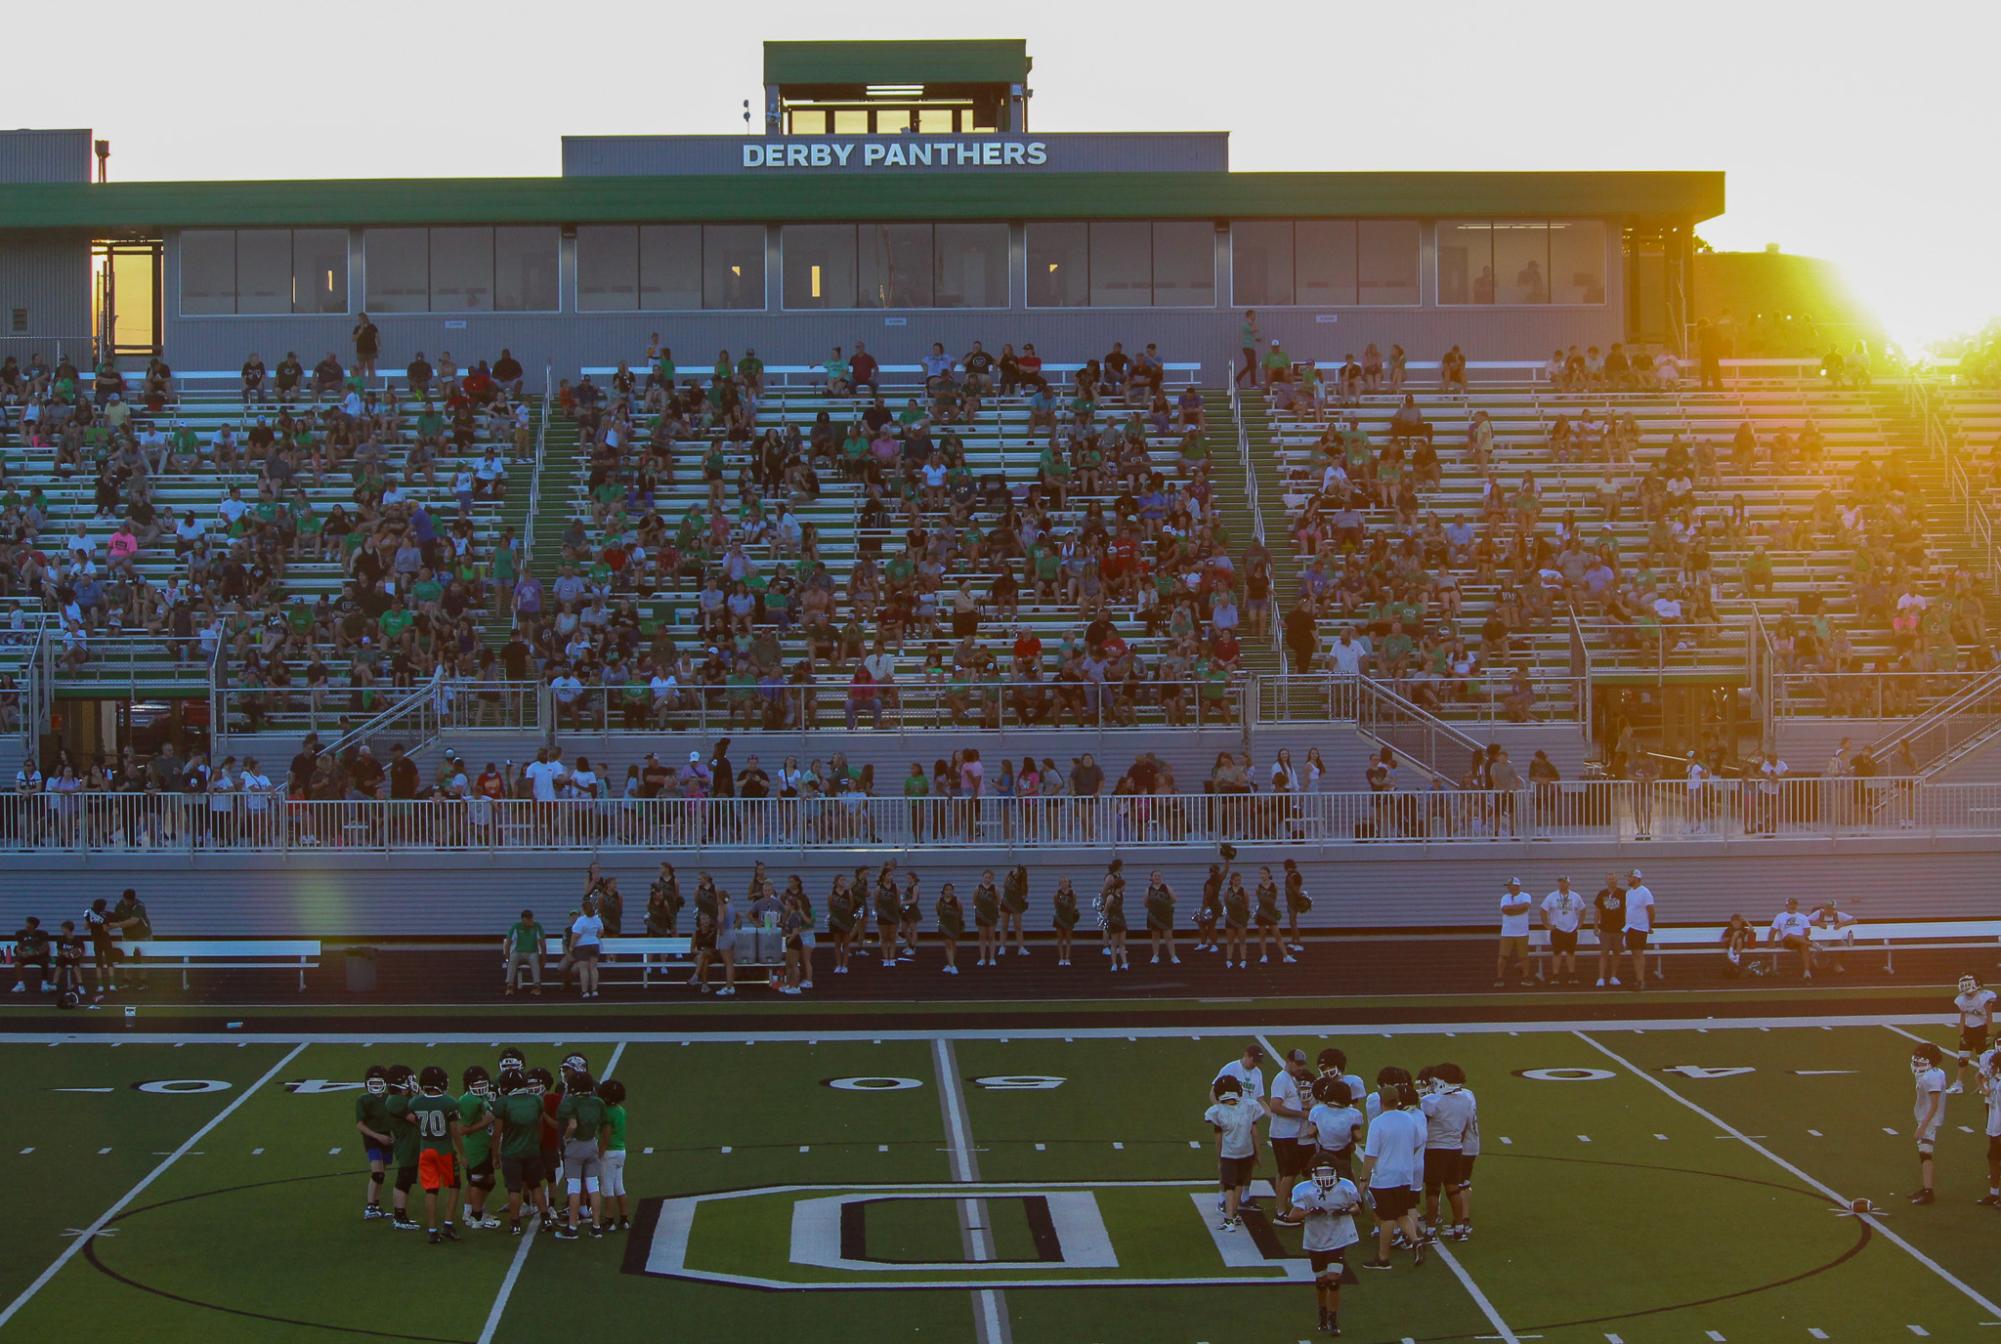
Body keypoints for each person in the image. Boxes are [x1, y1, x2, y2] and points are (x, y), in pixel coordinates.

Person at [1358, 1067, 1427, 1270]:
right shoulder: (1408, 1118)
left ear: (1381, 1101)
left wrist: (1363, 1180)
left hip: (1385, 1176)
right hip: (1405, 1175)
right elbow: (1416, 1143)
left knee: (1387, 1218)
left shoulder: (1378, 1123)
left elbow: (1371, 1155)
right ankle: (1415, 1240)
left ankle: (1383, 1258)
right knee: (1402, 1213)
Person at [1291, 1159, 1362, 1337]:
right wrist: (1310, 1211)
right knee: (1321, 1281)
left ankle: (1333, 1319)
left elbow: (1358, 1207)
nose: (1325, 1177)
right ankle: (1322, 1313)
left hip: (1338, 1237)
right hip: (1315, 1239)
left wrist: (1347, 1211)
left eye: (1327, 1172)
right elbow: (1292, 1216)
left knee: (1333, 1278)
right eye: (1321, 1172)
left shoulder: (1346, 1187)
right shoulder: (1303, 1190)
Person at [493, 1068, 556, 1235]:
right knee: (535, 1185)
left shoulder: (503, 1103)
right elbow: (540, 1126)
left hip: (512, 1153)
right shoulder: (536, 1100)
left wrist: (495, 1155)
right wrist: (536, 1144)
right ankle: (546, 1218)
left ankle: (515, 1223)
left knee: (514, 1189)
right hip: (531, 1151)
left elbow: (497, 1133)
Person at [408, 1065, 465, 1245]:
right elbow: (455, 1131)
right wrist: (462, 1153)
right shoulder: (449, 1102)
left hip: (425, 1151)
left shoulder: (415, 1102)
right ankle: (447, 1225)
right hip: (444, 1151)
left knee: (431, 1190)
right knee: (454, 1186)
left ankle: (432, 1230)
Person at [1419, 1064, 1477, 1241]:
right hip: (1455, 1149)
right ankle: (1459, 1227)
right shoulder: (1465, 1100)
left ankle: (1430, 1230)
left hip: (1435, 1149)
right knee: (1453, 1189)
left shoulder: (1431, 1101)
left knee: (1433, 1191)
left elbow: (1422, 1123)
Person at [1204, 1075, 1265, 1232]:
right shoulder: (1249, 1106)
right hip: (1247, 1152)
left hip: (1230, 1153)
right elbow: (1254, 1132)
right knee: (1239, 1184)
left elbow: (1218, 1139)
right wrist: (1258, 1153)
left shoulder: (1218, 1112)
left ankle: (1229, 1219)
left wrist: (1219, 1159)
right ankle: (1235, 1213)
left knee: (1229, 1186)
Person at [1213, 1043, 1267, 1214]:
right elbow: (1212, 1092)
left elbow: (1260, 1098)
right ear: (1246, 1055)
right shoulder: (1230, 1068)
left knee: (1249, 1158)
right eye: (1253, 1059)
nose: (1255, 1064)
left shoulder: (1257, 1073)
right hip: (1229, 1120)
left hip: (1246, 1118)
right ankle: (1222, 1196)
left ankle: (1245, 1194)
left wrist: (1272, 1115)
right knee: (1225, 1158)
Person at [555, 1072, 608, 1239]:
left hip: (576, 1146)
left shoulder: (570, 1102)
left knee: (574, 1187)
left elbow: (572, 1124)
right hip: (592, 1143)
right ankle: (596, 1226)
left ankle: (572, 1227)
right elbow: (606, 1128)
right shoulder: (598, 1102)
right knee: (593, 1186)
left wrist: (566, 1137)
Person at [1266, 1048, 1315, 1224]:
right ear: (1288, 1061)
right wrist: (1300, 1114)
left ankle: (1281, 1204)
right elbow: (1275, 1106)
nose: (1300, 1067)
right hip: (1283, 1133)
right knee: (1290, 1172)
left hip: (1288, 1133)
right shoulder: (1282, 1079)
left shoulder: (1290, 1079)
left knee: (1284, 1171)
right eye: (1297, 1063)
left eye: (1302, 1064)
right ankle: (1280, 1212)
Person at [457, 1066, 501, 1230]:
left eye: (483, 1083)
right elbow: (463, 1130)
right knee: (478, 1181)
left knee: (488, 1180)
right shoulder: (467, 1101)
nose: (480, 1086)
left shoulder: (480, 1097)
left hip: (484, 1145)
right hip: (475, 1147)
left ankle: (470, 1211)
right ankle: (476, 1217)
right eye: (476, 1084)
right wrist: (486, 1121)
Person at [355, 1064, 396, 1221]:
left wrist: (393, 1136)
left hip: (386, 1137)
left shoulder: (389, 1099)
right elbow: (360, 1124)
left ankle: (376, 1206)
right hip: (372, 1138)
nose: (376, 1087)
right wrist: (378, 1136)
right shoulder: (363, 1100)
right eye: (373, 1083)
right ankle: (370, 1206)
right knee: (377, 1172)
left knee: (382, 1173)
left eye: (379, 1083)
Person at [1909, 1041, 1948, 1205]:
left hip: (1929, 1119)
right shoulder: (1932, 1074)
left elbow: (1935, 1104)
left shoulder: (1932, 1077)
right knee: (1923, 1154)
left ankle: (1928, 1191)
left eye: (1921, 1059)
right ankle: (1925, 1187)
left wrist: (1922, 1126)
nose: (1917, 1061)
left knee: (1926, 1154)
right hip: (1925, 1117)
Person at [1953, 975, 1998, 1095]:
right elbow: (1962, 1016)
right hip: (1968, 1030)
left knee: (1982, 1060)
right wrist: (1962, 1033)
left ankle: (1984, 1083)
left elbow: (1989, 1016)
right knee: (1962, 1059)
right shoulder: (1961, 1000)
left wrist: (1989, 1033)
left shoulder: (1984, 998)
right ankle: (1958, 1084)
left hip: (1980, 1030)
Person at [1540, 876, 1586, 986]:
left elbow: (1583, 909)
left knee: (1571, 953)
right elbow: (1543, 910)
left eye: (1564, 882)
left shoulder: (1575, 896)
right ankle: (1555, 975)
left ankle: (1572, 975)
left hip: (1571, 929)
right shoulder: (1552, 896)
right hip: (1557, 929)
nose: (1562, 884)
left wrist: (1580, 924)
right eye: (1560, 882)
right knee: (1557, 953)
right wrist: (1547, 925)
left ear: (1568, 884)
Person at [1622, 869, 1656, 990]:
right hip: (1630, 927)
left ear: (1636, 878)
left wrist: (1649, 925)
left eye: (1629, 877)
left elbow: (1651, 911)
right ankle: (1638, 979)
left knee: (1638, 953)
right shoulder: (1629, 893)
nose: (1627, 879)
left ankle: (1641, 980)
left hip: (1640, 927)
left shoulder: (1645, 892)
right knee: (1634, 953)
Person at [1494, 878, 1532, 988]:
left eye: (1510, 885)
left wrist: (1512, 910)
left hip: (1522, 932)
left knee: (1523, 956)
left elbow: (1526, 906)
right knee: (1503, 956)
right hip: (1507, 932)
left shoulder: (1526, 895)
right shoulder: (1505, 897)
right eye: (1508, 886)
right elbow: (1505, 909)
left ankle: (1525, 977)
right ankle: (1499, 978)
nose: (1508, 888)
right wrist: (1517, 909)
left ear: (1516, 886)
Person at [1593, 872, 1628, 989]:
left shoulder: (1623, 894)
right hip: (1605, 929)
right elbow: (1597, 911)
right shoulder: (1601, 894)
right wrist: (1595, 926)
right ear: (1606, 881)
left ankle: (1613, 976)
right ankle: (1601, 978)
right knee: (1604, 953)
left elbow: (1627, 911)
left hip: (1619, 929)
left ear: (1617, 881)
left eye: (1613, 879)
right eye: (1609, 879)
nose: (1611, 881)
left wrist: (1627, 927)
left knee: (1617, 953)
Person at [1767, 896, 1817, 980]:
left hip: (1801, 940)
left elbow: (1807, 931)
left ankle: (1807, 971)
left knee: (1804, 946)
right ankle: (1812, 944)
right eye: (1790, 904)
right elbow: (1773, 931)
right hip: (1788, 941)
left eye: (1794, 904)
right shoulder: (1780, 916)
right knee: (1789, 935)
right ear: (1786, 906)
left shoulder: (1802, 916)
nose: (1792, 906)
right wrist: (1771, 943)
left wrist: (1801, 938)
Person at [503, 909, 545, 996]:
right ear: (523, 919)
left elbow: (542, 943)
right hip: (518, 952)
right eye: (528, 919)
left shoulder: (537, 926)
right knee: (513, 958)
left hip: (532, 952)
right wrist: (507, 958)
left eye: (531, 919)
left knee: (534, 960)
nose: (530, 921)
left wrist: (544, 958)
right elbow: (508, 942)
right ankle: (509, 986)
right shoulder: (516, 927)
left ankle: (537, 986)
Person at [570, 897, 605, 1000]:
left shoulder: (581, 920)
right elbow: (601, 931)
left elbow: (575, 935)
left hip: (582, 946)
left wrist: (571, 946)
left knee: (583, 969)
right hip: (594, 944)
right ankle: (594, 990)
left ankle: (584, 991)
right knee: (593, 968)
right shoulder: (597, 919)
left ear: (583, 909)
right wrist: (595, 938)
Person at [10, 915, 52, 993]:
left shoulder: (42, 934)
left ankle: (44, 984)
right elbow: (18, 947)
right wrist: (21, 953)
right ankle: (20, 984)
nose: (26, 925)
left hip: (38, 956)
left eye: (27, 923)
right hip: (26, 956)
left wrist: (37, 952)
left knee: (45, 962)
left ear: (33, 925)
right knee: (17, 963)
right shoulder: (20, 933)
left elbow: (46, 947)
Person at [936, 881, 965, 976]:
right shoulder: (939, 901)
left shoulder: (957, 901)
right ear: (943, 891)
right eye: (947, 890)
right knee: (948, 944)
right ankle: (952, 965)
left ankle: (950, 963)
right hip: (944, 925)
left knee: (953, 944)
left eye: (950, 890)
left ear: (953, 891)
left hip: (954, 925)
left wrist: (960, 923)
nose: (948, 891)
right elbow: (938, 911)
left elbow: (961, 912)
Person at [1052, 876, 1080, 966]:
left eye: (1066, 881)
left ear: (1069, 883)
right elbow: (1056, 905)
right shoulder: (1057, 894)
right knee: (1059, 937)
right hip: (1059, 918)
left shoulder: (1073, 893)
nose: (1064, 883)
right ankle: (1061, 958)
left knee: (1068, 938)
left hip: (1068, 918)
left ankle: (1067, 958)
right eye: (1062, 882)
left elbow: (1074, 905)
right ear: (1060, 884)